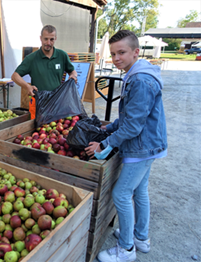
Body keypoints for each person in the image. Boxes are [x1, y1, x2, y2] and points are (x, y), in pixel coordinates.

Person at [85, 30, 167, 262]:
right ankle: (140, 237)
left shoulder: (140, 80)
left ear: (136, 52)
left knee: (121, 193)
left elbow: (133, 127)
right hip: (150, 143)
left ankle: (126, 249)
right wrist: (109, 128)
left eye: (121, 52)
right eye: (113, 54)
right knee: (139, 190)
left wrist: (105, 143)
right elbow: (130, 117)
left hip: (142, 146)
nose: (116, 58)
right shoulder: (136, 74)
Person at [11, 25, 77, 96]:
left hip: (57, 101)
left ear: (55, 39)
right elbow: (15, 76)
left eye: (51, 39)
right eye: (46, 39)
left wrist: (73, 76)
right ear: (41, 38)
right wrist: (27, 86)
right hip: (39, 102)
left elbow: (72, 71)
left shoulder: (62, 55)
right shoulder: (31, 58)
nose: (48, 43)